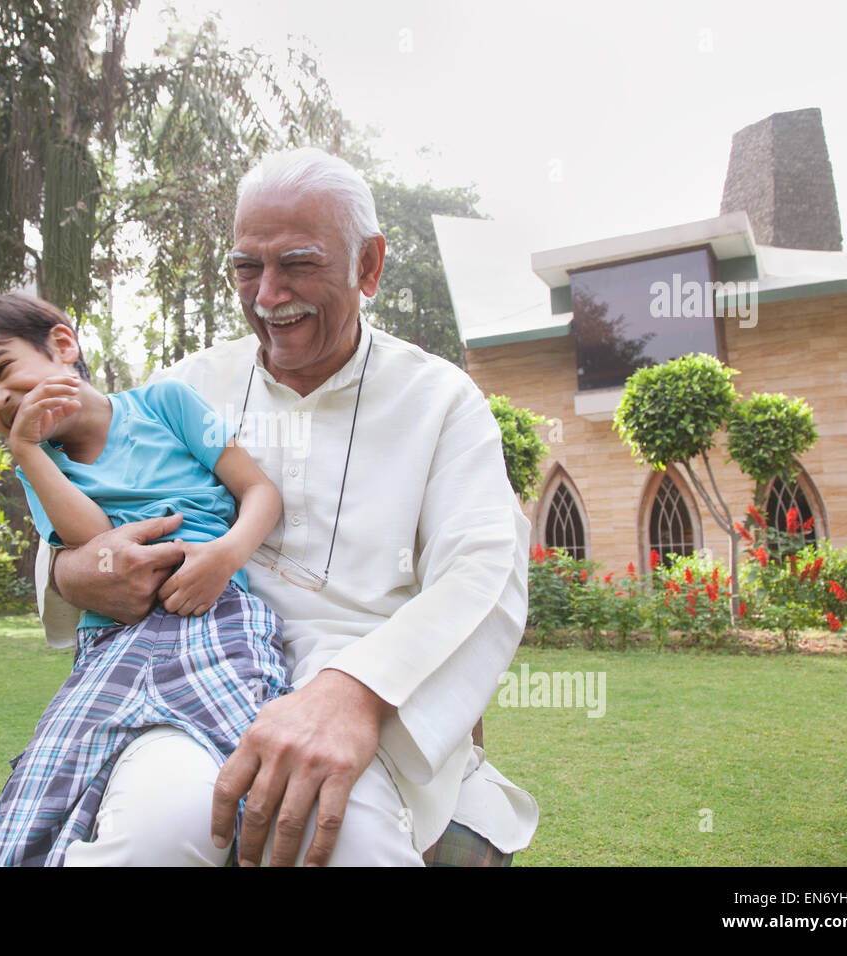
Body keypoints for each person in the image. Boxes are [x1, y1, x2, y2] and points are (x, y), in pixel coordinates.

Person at [43, 147, 539, 867]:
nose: (269, 295)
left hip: (364, 682)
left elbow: (484, 572)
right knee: (156, 838)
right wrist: (67, 573)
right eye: (248, 267)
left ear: (368, 266)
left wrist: (355, 695)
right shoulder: (183, 389)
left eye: (299, 264)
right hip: (191, 669)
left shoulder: (439, 400)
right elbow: (85, 494)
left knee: (340, 843)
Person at [0, 293, 291, 866]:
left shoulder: (164, 403)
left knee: (252, 764)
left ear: (63, 345)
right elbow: (93, 536)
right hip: (111, 643)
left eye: (1, 370)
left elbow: (260, 491)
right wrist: (26, 448)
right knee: (48, 783)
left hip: (214, 616)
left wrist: (225, 556)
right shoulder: (40, 463)